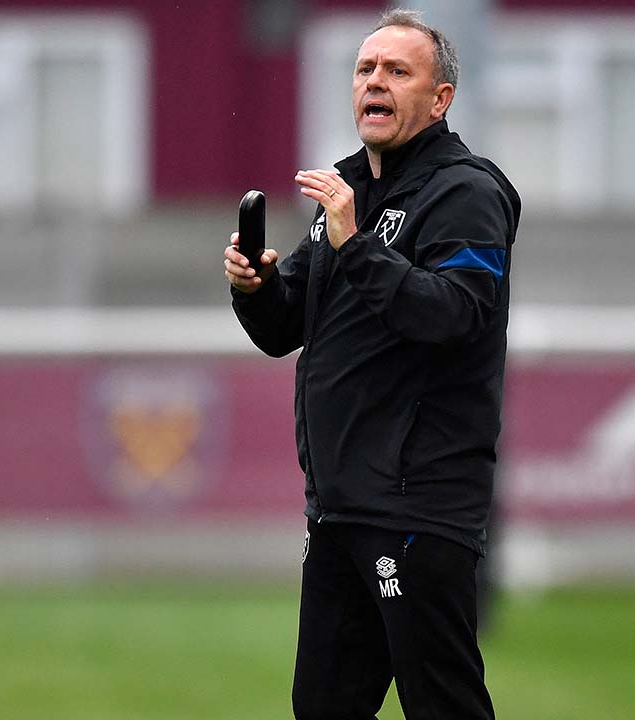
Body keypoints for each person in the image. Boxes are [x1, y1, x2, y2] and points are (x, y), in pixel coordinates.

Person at [224, 8, 519, 719]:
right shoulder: (347, 193)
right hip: (338, 508)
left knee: (442, 705)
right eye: (365, 69)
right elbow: (284, 327)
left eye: (397, 71)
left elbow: (454, 315)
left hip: (418, 506)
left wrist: (356, 245)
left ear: (440, 99)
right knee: (323, 708)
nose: (374, 83)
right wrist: (254, 289)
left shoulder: (467, 193)